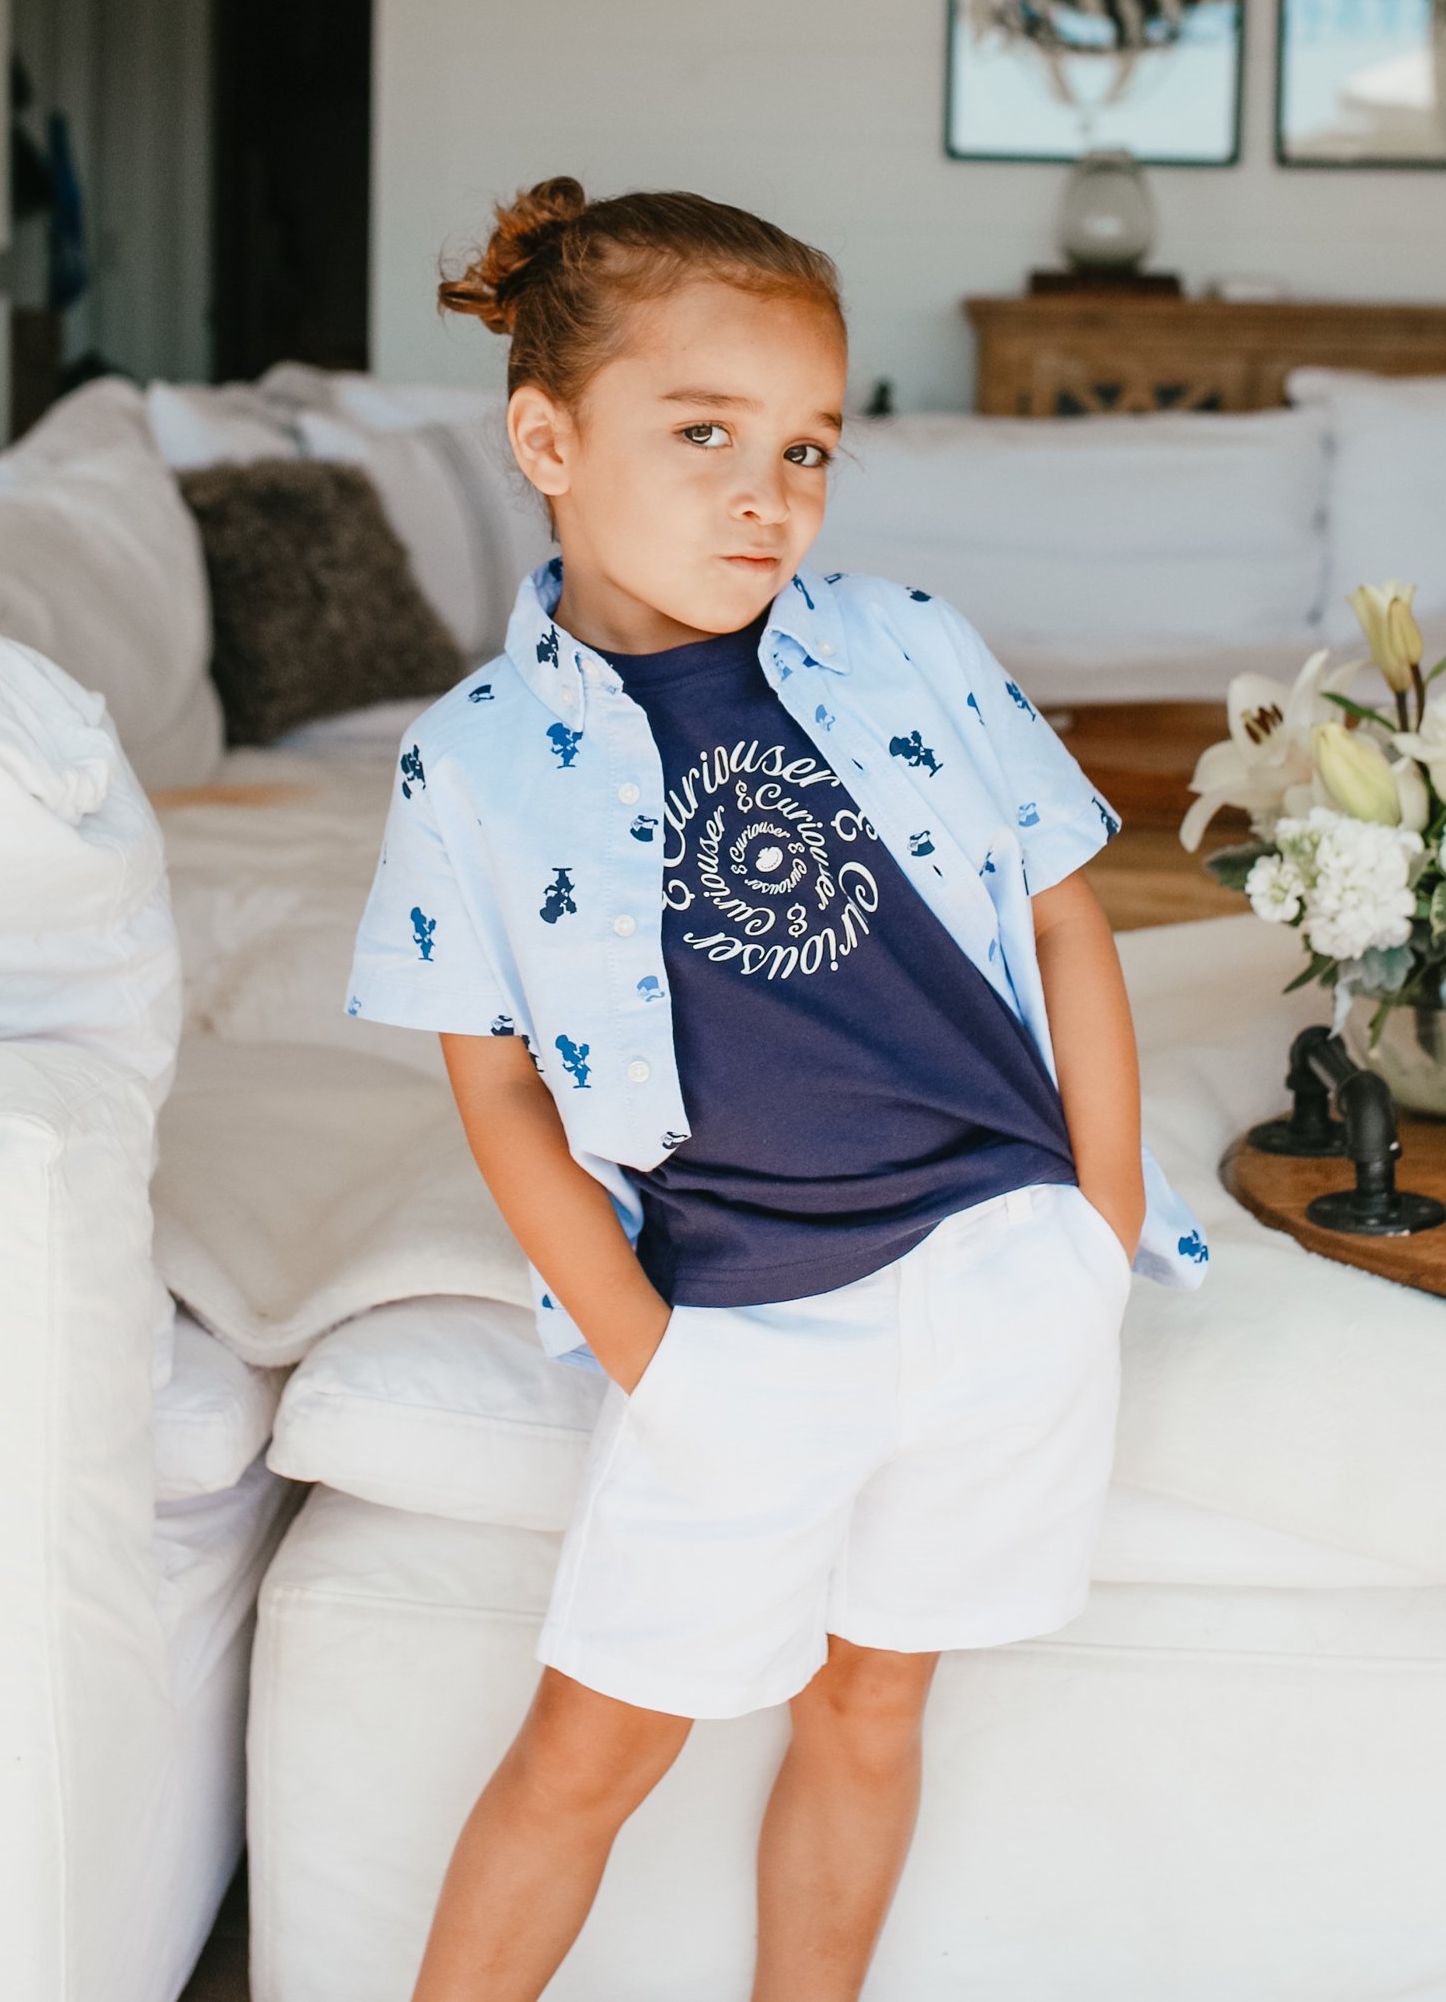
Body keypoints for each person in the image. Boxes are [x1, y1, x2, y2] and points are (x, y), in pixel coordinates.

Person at [346, 178, 1208, 2002]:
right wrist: (648, 1352)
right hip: (738, 1324)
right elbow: (494, 1087)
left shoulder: (904, 642)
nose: (771, 495)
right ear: (547, 437)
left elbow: (1070, 918)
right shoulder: (474, 760)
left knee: (875, 1698)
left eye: (809, 448)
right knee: (590, 1754)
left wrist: (1097, 1226)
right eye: (708, 434)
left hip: (999, 1282)